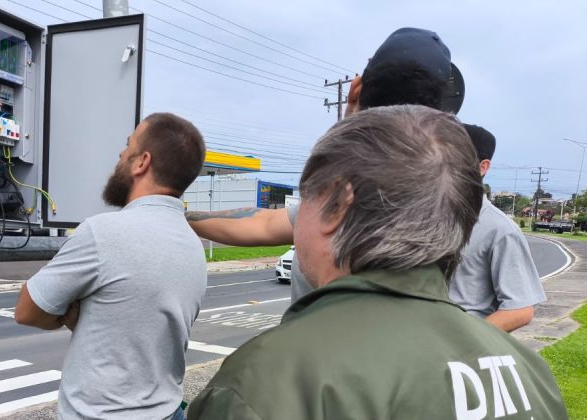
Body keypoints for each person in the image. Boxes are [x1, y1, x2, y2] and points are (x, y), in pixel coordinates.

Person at [187, 105, 567, 420]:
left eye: (304, 201)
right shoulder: (532, 375)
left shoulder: (267, 382)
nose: (293, 221)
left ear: (337, 203)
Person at [186, 27, 465, 303]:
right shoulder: (453, 203)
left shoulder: (338, 189)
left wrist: (175, 213)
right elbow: (265, 223)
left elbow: (264, 224)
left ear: (356, 89)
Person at [15, 112, 207, 420]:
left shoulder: (102, 233)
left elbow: (27, 311)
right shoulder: (194, 245)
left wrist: (67, 314)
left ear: (142, 162)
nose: (120, 154)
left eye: (127, 145)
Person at [450, 124, 546, 331]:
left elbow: (519, 310)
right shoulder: (424, 219)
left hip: (463, 352)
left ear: (482, 167)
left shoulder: (500, 229)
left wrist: (463, 343)